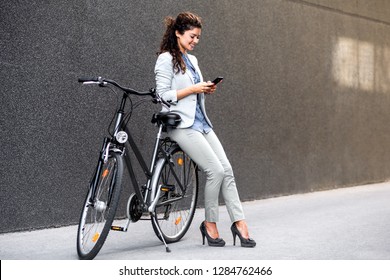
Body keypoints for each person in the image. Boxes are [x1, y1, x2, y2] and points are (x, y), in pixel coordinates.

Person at [154, 12, 256, 248]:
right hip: (181, 125)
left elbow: (194, 90)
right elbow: (162, 96)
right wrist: (193, 90)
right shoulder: (165, 59)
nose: (195, 41)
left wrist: (205, 89)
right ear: (178, 33)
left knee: (227, 169)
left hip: (201, 123)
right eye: (192, 36)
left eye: (198, 37)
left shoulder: (193, 61)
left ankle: (239, 223)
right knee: (215, 171)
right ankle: (209, 225)